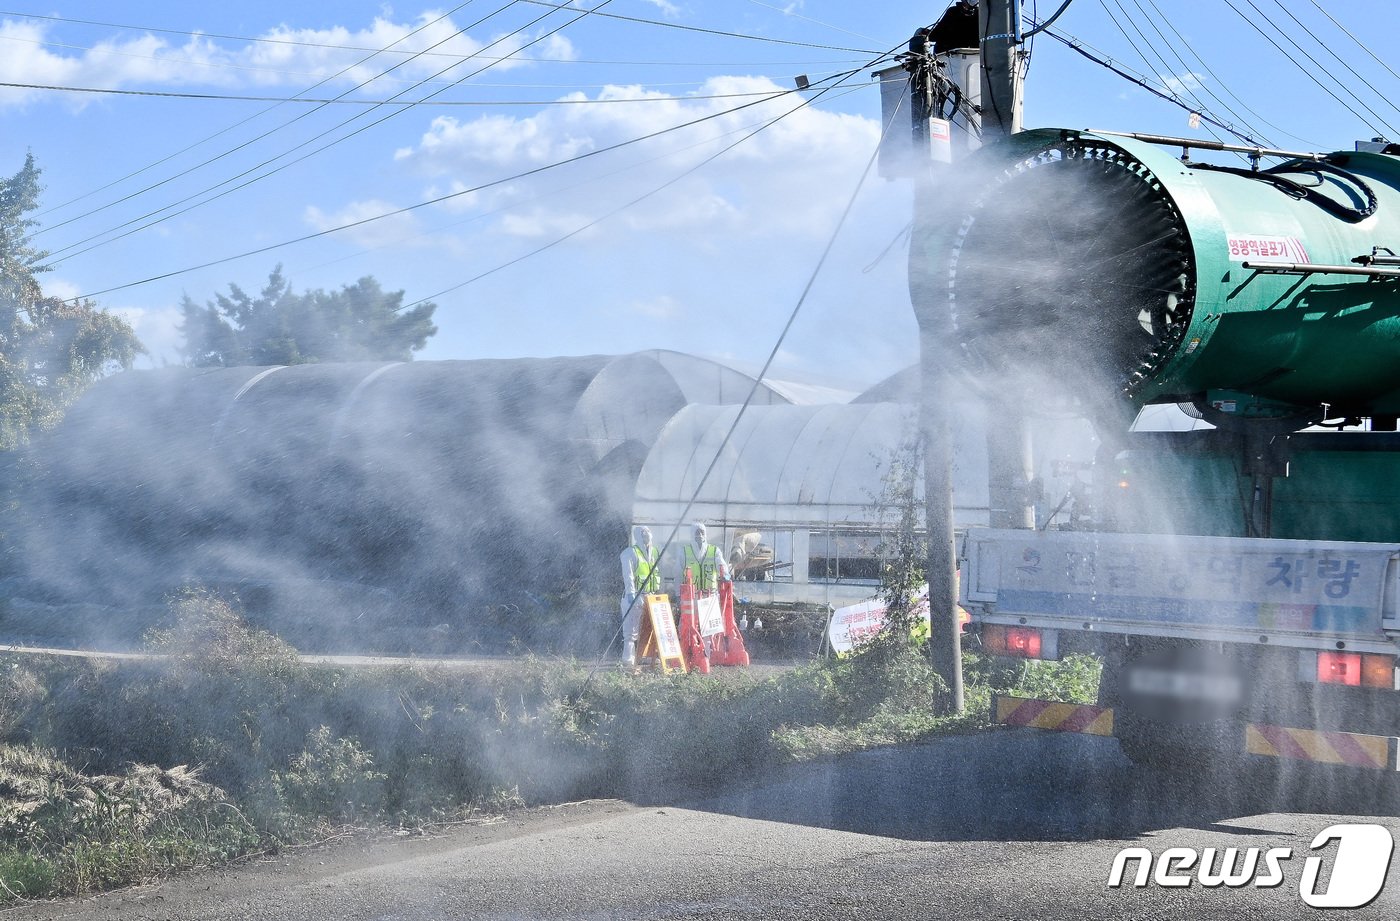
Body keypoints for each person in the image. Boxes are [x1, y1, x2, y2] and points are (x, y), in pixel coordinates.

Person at [620, 525, 661, 666]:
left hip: (650, 596)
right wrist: (632, 593)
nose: (647, 537)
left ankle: (647, 656)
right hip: (635, 596)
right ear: (638, 536)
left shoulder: (654, 552)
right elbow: (628, 576)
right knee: (631, 629)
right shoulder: (629, 553)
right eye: (643, 534)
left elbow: (657, 573)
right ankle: (628, 658)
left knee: (649, 628)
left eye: (648, 533)